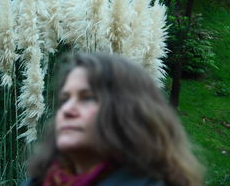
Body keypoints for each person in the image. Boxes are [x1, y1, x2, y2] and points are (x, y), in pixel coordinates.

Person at [23, 53, 204, 186]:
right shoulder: (40, 181)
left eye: (87, 97)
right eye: (65, 99)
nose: (67, 110)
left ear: (129, 112)